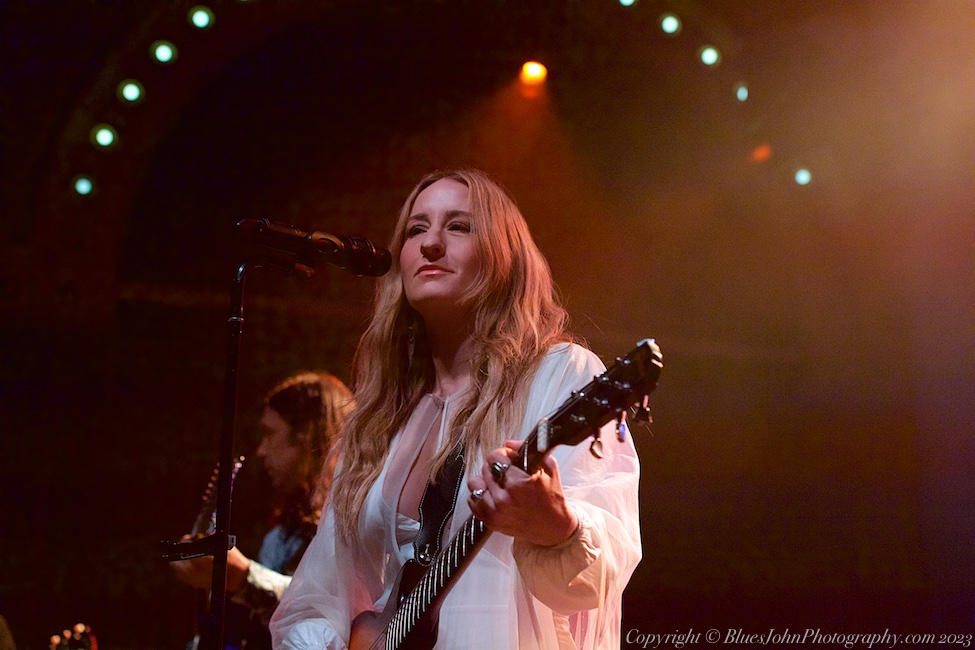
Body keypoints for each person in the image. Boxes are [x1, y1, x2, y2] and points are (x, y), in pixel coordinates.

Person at [270, 168, 642, 649]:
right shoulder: (379, 415)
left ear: (504, 256)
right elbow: (317, 596)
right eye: (416, 229)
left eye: (459, 226)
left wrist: (557, 525)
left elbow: (604, 567)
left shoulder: (560, 374)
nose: (430, 244)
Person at [171, 371, 354, 649]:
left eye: (270, 434)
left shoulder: (350, 525)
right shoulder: (279, 534)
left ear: (305, 436)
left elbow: (330, 613)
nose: (261, 450)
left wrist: (245, 577)